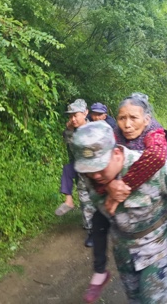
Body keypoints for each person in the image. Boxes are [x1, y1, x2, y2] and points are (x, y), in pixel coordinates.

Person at [84, 93, 167, 304]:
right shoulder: (114, 134)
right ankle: (100, 270)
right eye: (122, 118)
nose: (127, 125)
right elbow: (95, 164)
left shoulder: (154, 132)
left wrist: (124, 185)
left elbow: (156, 157)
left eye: (133, 118)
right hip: (123, 195)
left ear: (146, 118)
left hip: (163, 193)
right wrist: (109, 184)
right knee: (99, 220)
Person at [54, 99, 95, 247]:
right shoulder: (70, 130)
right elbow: (70, 150)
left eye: (75, 115)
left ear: (85, 113)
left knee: (100, 200)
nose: (72, 119)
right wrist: (69, 131)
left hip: (97, 172)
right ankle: (91, 232)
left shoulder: (95, 129)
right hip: (81, 171)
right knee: (85, 201)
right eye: (70, 116)